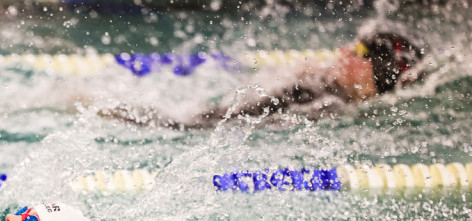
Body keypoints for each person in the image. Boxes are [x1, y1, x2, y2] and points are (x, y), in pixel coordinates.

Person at [101, 23, 429, 130]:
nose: (345, 49)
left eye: (359, 51)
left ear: (374, 75)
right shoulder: (322, 88)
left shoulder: (317, 100)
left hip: (194, 124)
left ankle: (111, 110)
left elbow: (223, 120)